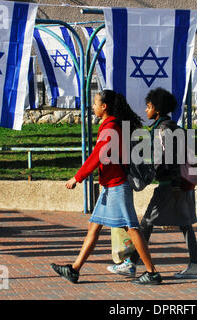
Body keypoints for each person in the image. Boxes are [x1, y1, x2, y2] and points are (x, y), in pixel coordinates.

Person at [50, 90, 162, 285]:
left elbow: (97, 155)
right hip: (110, 186)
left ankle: (152, 273)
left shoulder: (110, 127)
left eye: (95, 103)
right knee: (94, 227)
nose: (92, 106)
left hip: (117, 186)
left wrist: (78, 177)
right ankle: (75, 270)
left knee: (132, 228)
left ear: (104, 106)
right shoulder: (112, 126)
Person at [107, 87, 197, 279]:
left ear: (157, 109)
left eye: (148, 106)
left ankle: (131, 264)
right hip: (181, 184)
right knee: (185, 225)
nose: (146, 110)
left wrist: (168, 182)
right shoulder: (173, 127)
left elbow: (170, 159)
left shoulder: (163, 129)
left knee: (146, 223)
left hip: (170, 186)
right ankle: (195, 265)